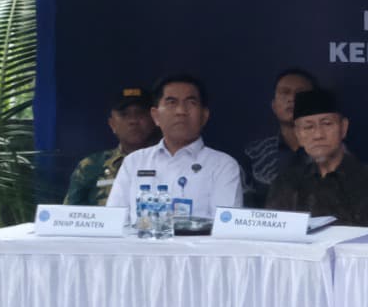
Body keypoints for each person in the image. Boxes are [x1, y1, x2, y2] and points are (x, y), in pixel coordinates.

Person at [105, 71, 243, 223]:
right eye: (171, 103)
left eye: (190, 103)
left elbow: (224, 227)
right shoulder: (134, 162)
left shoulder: (223, 166)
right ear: (155, 116)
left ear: (204, 116)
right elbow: (113, 222)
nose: (181, 111)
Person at [260, 89, 368, 227]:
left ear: (343, 128)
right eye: (308, 127)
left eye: (327, 124)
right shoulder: (286, 183)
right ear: (298, 134)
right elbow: (274, 236)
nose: (318, 135)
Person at [63, 87, 155, 206]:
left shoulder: (167, 161)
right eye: (124, 114)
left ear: (154, 119)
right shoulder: (91, 165)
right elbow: (69, 213)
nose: (133, 121)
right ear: (112, 124)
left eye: (140, 113)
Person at [239, 66, 318, 204]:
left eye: (300, 93)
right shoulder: (254, 153)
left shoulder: (331, 151)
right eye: (285, 92)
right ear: (274, 105)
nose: (292, 99)